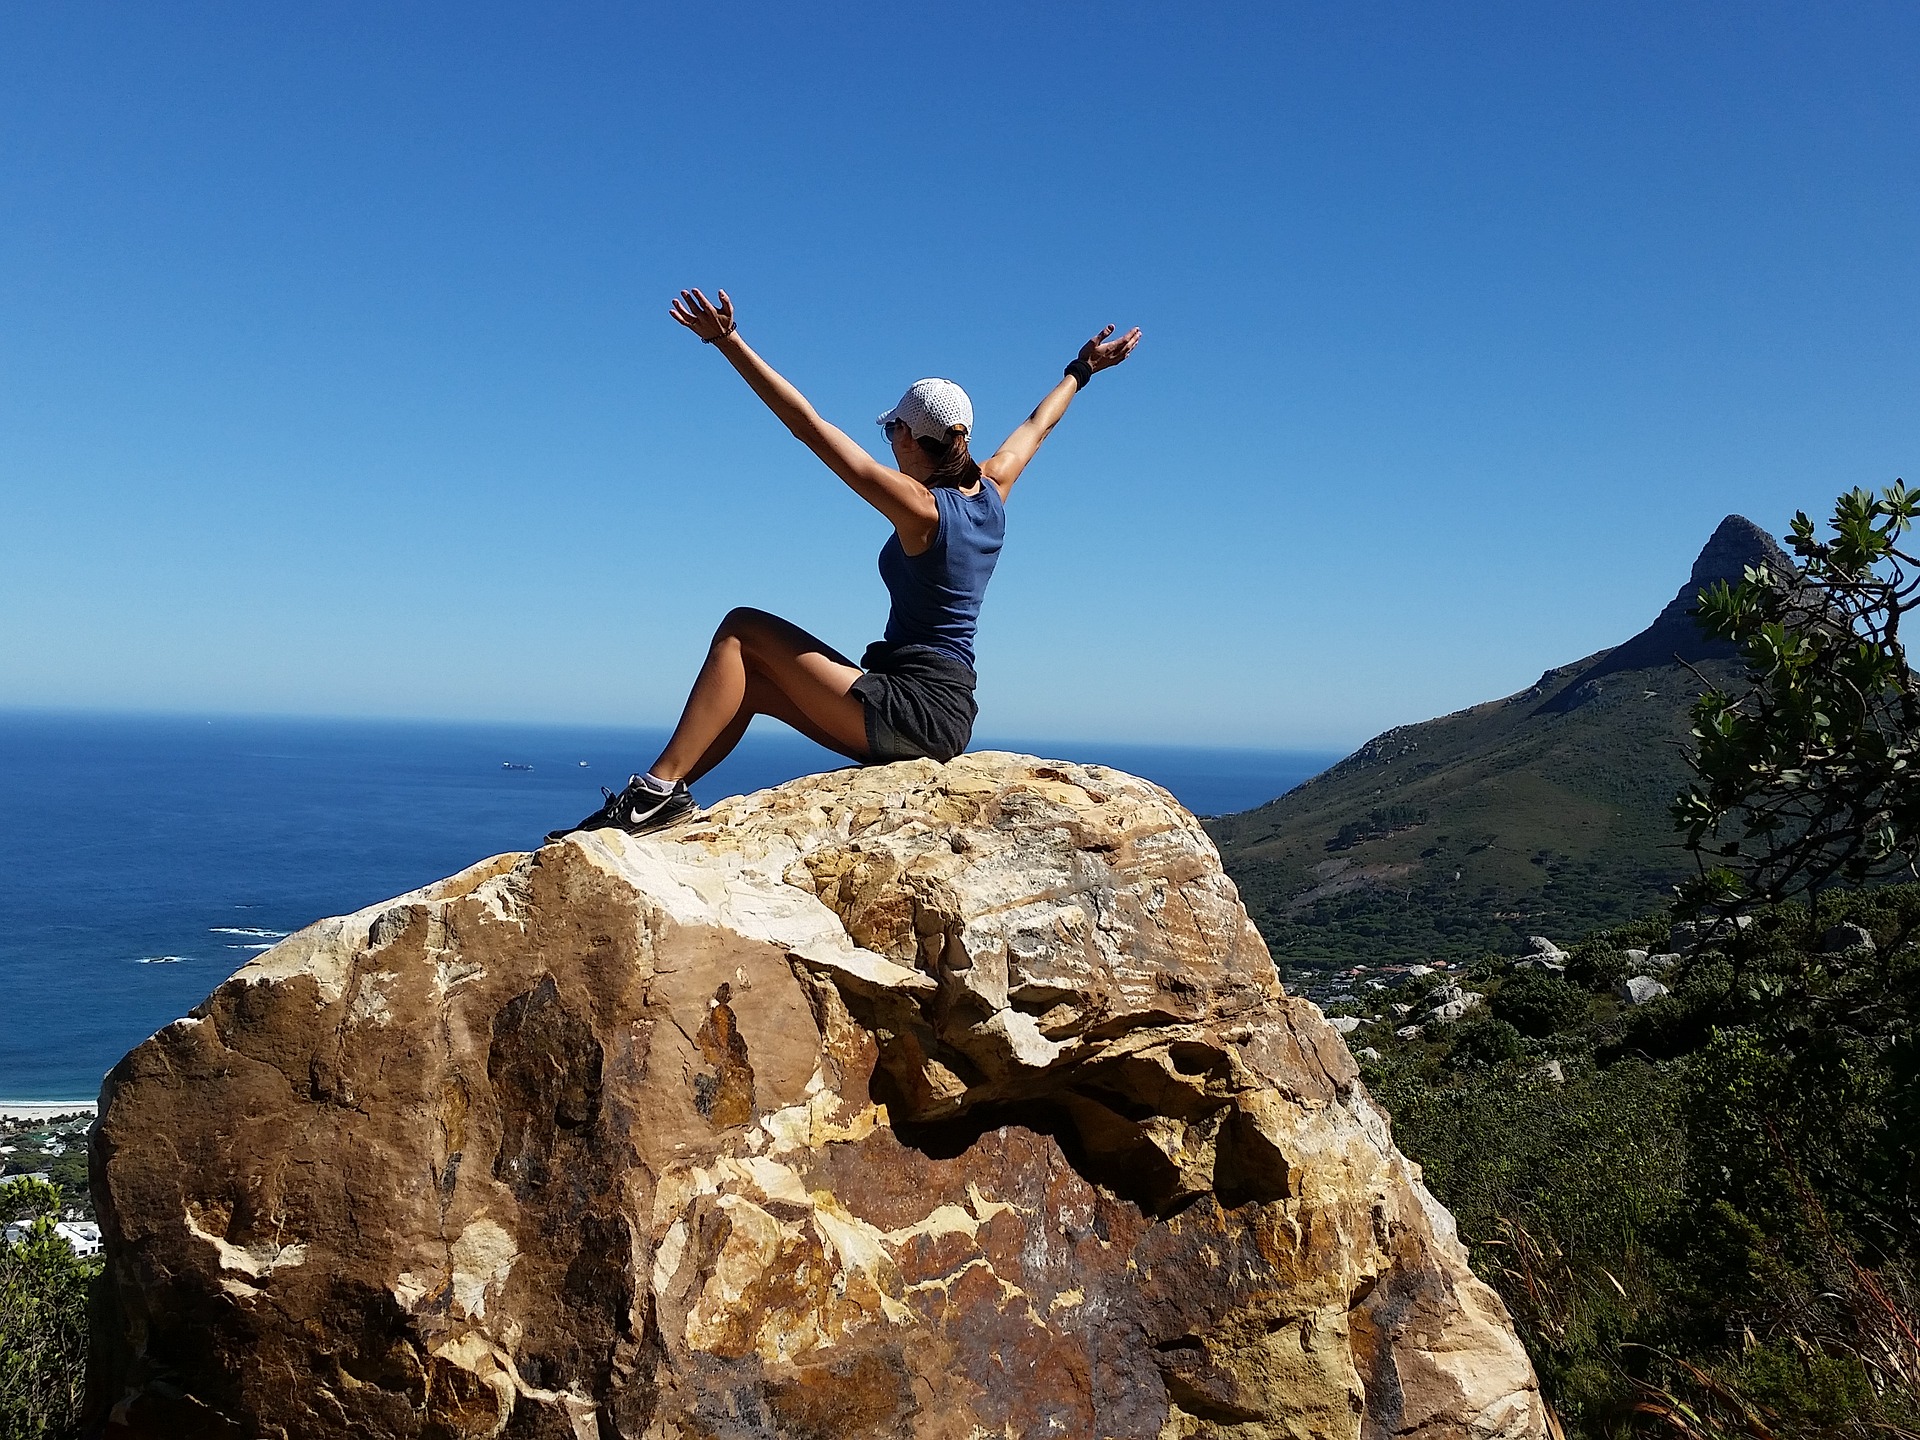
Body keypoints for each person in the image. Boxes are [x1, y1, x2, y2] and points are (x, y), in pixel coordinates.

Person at [548, 288, 1142, 842]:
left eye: (892, 431)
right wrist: (1082, 369)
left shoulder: (922, 509)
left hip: (914, 708)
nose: (887, 441)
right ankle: (665, 800)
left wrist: (728, 342)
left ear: (912, 437)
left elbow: (810, 426)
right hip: (943, 712)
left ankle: (651, 795)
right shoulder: (993, 488)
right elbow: (1038, 425)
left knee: (741, 627)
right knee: (750, 684)